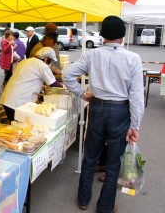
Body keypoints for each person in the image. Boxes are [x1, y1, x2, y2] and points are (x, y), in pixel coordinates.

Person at [63, 15, 144, 213]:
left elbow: (67, 75)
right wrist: (135, 125)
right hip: (121, 110)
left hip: (97, 107)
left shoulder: (92, 55)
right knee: (114, 161)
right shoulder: (132, 58)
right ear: (122, 37)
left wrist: (83, 94)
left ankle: (83, 200)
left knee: (90, 155)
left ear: (102, 35)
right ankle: (105, 207)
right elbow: (136, 95)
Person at [0, 47, 63, 122]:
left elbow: (23, 79)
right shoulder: (42, 66)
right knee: (21, 128)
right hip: (18, 103)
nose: (50, 63)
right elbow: (53, 84)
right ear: (46, 59)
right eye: (50, 60)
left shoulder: (25, 61)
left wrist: (39, 86)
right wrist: (65, 87)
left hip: (7, 99)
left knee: (15, 126)